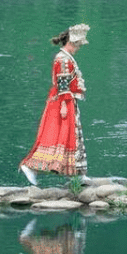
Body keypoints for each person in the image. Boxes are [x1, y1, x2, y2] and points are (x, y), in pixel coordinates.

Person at [20, 23, 89, 185]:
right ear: (71, 43)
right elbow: (62, 83)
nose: (79, 48)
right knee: (57, 137)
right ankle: (31, 167)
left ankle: (76, 173)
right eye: (78, 45)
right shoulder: (63, 58)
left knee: (72, 136)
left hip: (66, 101)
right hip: (61, 102)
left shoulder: (66, 57)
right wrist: (65, 105)